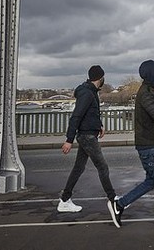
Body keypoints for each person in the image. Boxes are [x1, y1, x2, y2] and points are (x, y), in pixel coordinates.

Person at [107, 60, 154, 234]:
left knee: (152, 181)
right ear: (153, 75)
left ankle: (119, 205)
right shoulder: (147, 94)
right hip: (150, 146)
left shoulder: (146, 91)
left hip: (147, 144)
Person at [57, 65, 116, 213]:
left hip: (88, 134)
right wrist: (69, 140)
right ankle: (113, 199)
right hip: (87, 137)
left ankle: (64, 199)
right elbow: (76, 116)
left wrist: (99, 126)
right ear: (100, 78)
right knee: (102, 167)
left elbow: (90, 114)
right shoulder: (88, 94)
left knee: (78, 168)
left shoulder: (90, 91)